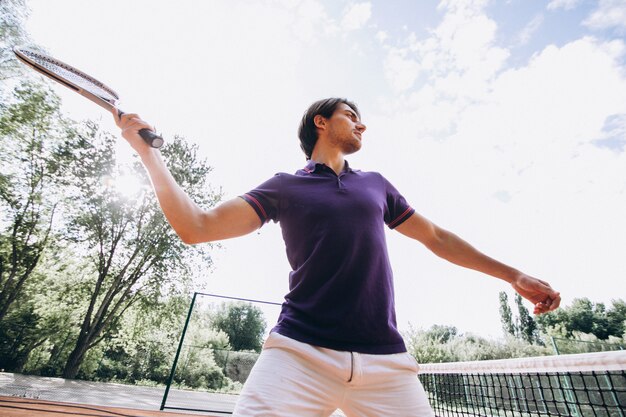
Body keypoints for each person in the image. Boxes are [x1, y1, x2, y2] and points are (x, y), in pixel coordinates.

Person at [112, 98, 561, 417]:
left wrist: (513, 274)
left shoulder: (377, 184)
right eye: (352, 116)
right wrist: (146, 151)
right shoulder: (284, 186)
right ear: (320, 122)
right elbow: (197, 226)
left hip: (386, 363)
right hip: (299, 353)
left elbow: (437, 237)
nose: (362, 125)